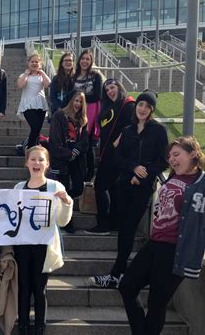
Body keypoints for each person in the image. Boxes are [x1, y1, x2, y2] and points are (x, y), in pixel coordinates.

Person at [119, 136, 205, 335]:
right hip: (155, 244)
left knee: (156, 302)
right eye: (170, 155)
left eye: (177, 154)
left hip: (177, 250)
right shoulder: (173, 176)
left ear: (193, 154)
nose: (171, 159)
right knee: (127, 286)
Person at [88, 90, 168, 287]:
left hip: (142, 187)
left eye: (147, 106)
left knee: (129, 228)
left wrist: (144, 173)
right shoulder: (128, 130)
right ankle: (119, 272)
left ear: (152, 110)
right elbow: (117, 157)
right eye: (141, 104)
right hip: (124, 185)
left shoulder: (158, 131)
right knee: (123, 228)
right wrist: (133, 168)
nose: (143, 109)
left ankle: (119, 272)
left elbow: (163, 161)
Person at [14, 146, 73, 335]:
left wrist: (67, 203)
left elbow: (63, 221)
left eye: (41, 160)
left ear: (47, 164)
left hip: (44, 246)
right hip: (22, 246)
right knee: (23, 287)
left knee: (40, 288)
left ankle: (40, 326)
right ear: (26, 163)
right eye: (33, 159)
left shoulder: (55, 187)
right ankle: (23, 324)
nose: (36, 163)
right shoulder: (18, 188)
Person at [87, 78, 135, 235]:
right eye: (107, 90)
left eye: (112, 87)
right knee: (112, 188)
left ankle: (103, 223)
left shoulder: (128, 105)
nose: (110, 91)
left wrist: (119, 141)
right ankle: (114, 222)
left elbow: (131, 126)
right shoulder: (108, 105)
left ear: (119, 87)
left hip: (117, 154)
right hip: (106, 152)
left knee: (100, 186)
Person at [48, 91, 88, 233]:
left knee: (78, 188)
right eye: (76, 100)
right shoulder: (59, 115)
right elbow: (54, 141)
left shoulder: (83, 120)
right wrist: (68, 153)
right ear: (71, 100)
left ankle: (61, 207)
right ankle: (67, 222)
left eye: (80, 102)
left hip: (76, 159)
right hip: (61, 159)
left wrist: (76, 151)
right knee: (63, 187)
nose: (77, 104)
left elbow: (84, 141)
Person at [72, 49, 104, 181]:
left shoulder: (96, 76)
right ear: (79, 60)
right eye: (83, 58)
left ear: (91, 61)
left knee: (88, 142)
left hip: (90, 110)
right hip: (76, 110)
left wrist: (82, 98)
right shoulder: (74, 77)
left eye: (88, 59)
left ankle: (90, 172)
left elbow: (98, 95)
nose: (84, 61)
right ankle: (78, 171)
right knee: (77, 140)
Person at [17, 54, 51, 149]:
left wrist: (43, 73)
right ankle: (30, 148)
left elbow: (48, 84)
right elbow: (20, 85)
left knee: (37, 129)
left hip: (40, 104)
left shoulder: (41, 75)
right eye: (32, 61)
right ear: (28, 63)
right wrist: (26, 74)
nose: (34, 63)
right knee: (35, 127)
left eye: (37, 62)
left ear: (40, 64)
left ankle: (33, 147)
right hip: (28, 105)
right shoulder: (24, 75)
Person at [49, 52, 75, 116]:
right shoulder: (56, 78)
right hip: (58, 112)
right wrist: (59, 109)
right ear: (62, 63)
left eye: (70, 60)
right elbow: (52, 96)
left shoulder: (76, 78)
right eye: (66, 60)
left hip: (72, 111)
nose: (68, 62)